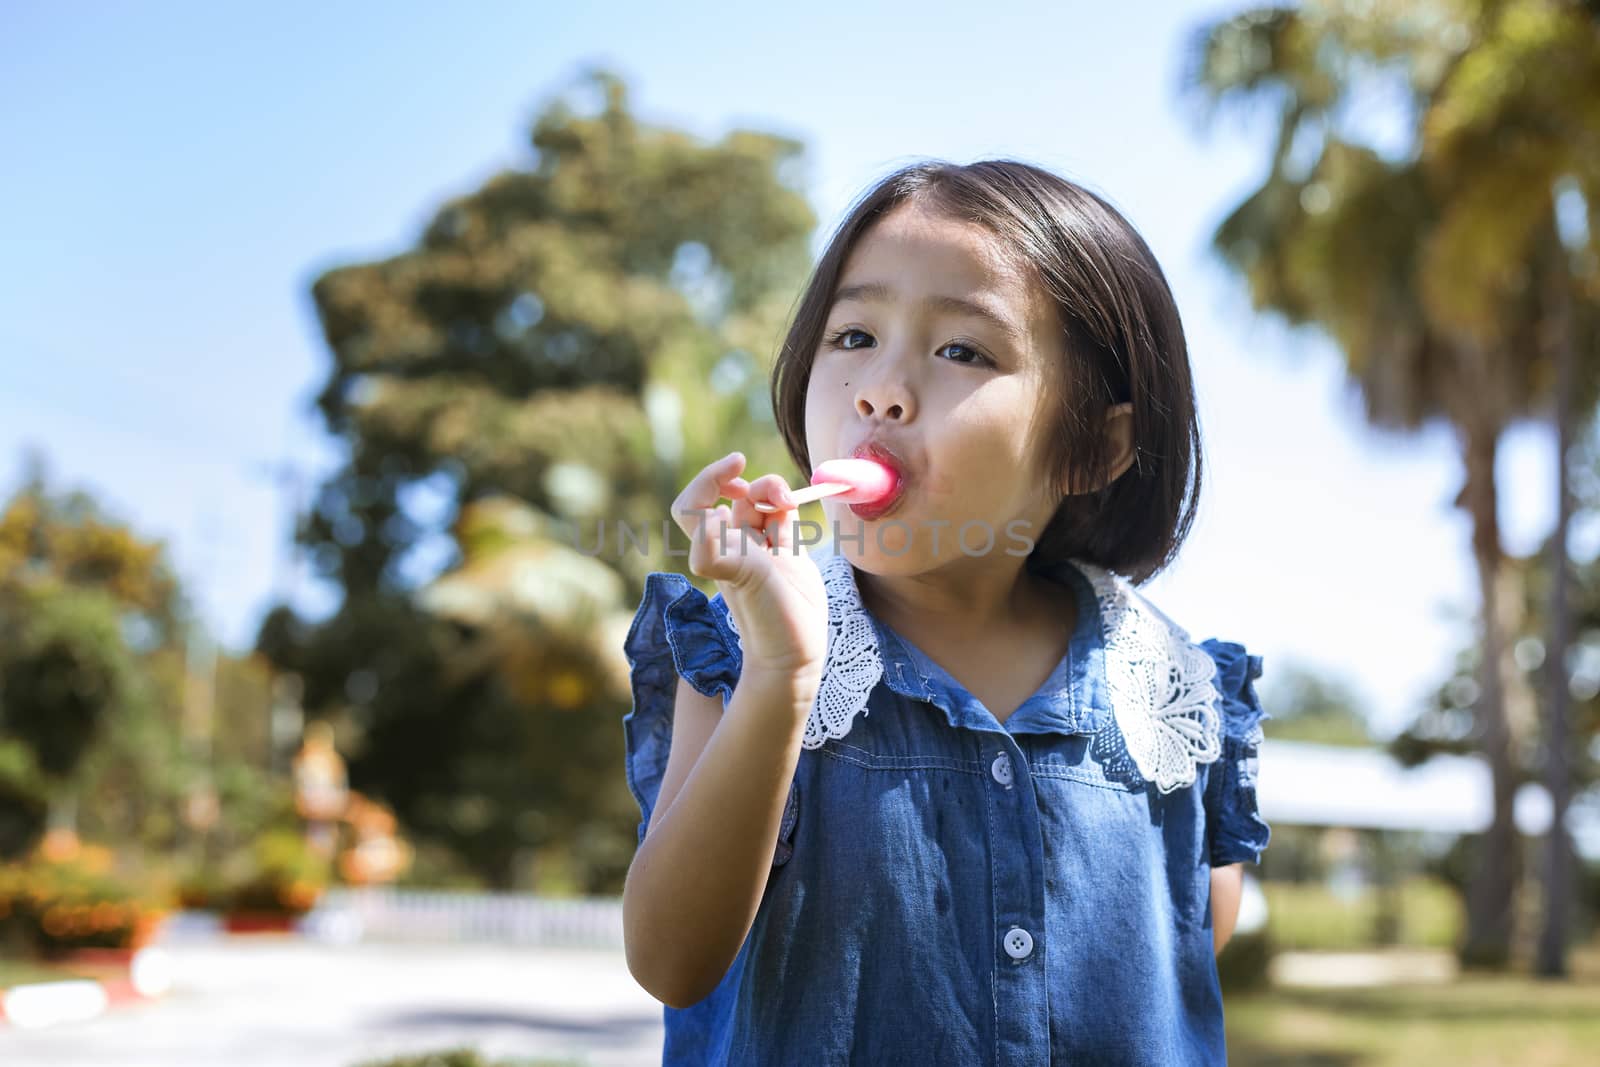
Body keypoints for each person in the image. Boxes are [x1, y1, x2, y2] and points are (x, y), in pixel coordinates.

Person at [620, 159, 1272, 1065]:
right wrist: (782, 676)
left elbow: (1187, 954)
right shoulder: (740, 647)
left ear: (1096, 443)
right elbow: (669, 959)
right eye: (852, 334)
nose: (880, 388)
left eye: (962, 350)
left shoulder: (1174, 694)